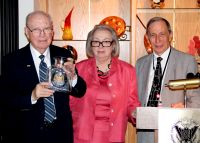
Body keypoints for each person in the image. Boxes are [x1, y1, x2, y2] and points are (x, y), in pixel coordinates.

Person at [0, 11, 86, 143]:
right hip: (26, 134)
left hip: (60, 133)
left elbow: (80, 91)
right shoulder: (12, 60)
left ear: (52, 31)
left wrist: (73, 77)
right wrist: (32, 96)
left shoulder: (63, 54)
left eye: (47, 29)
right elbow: (6, 99)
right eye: (36, 29)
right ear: (27, 32)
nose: (42, 34)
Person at [69, 24, 141, 143]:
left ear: (113, 45)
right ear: (90, 45)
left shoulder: (128, 71)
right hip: (82, 135)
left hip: (114, 135)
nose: (101, 46)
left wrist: (135, 113)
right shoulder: (78, 69)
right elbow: (69, 103)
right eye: (96, 42)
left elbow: (131, 103)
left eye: (106, 41)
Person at [136, 16, 200, 143]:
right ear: (147, 37)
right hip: (145, 132)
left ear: (170, 35)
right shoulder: (140, 63)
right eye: (152, 35)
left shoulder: (187, 61)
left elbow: (196, 98)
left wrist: (185, 111)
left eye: (162, 34)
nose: (157, 40)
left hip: (175, 131)